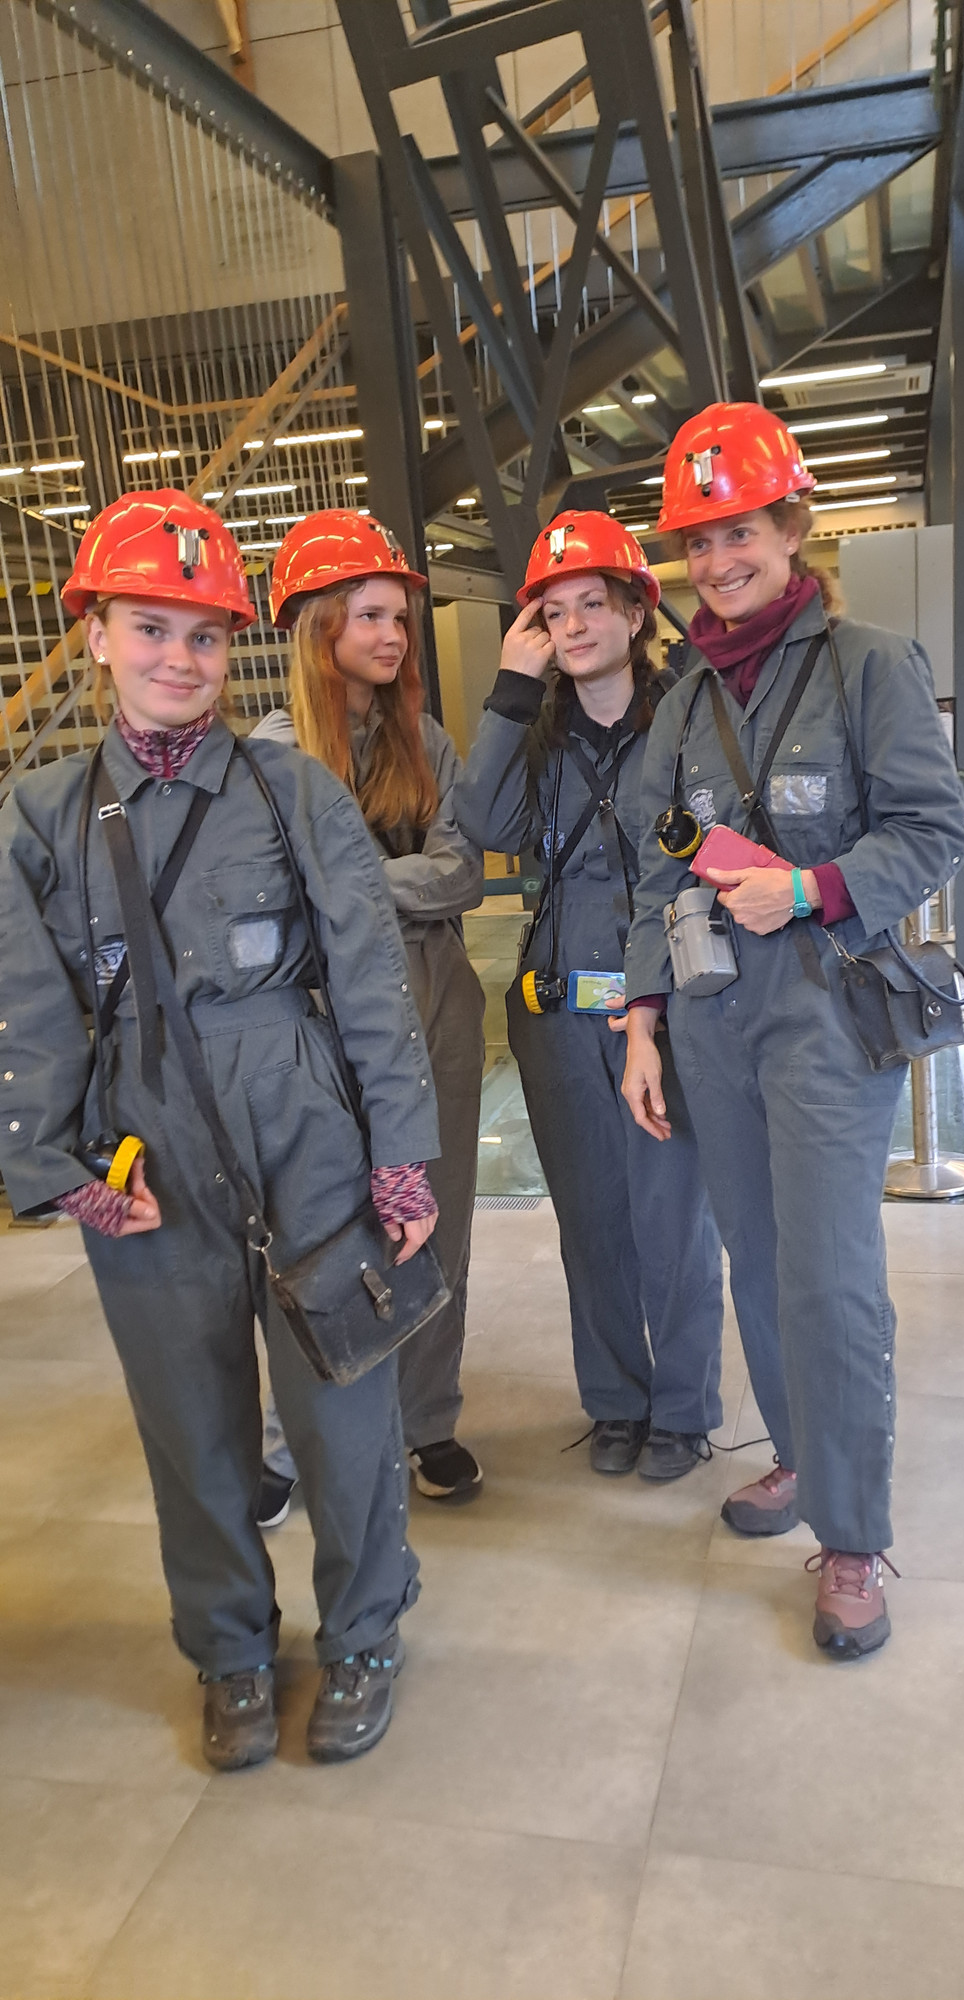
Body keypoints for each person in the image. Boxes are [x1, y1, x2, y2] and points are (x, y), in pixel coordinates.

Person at [0, 491, 440, 1769]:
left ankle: (364, 1629)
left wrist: (399, 1154)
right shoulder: (38, 815)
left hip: (299, 1113)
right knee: (188, 1419)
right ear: (96, 635)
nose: (179, 659)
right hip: (140, 1143)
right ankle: (231, 1648)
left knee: (341, 1397)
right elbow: (28, 1005)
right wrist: (59, 1168)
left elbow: (368, 975)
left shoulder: (292, 788)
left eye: (204, 635)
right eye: (151, 628)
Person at [621, 405, 964, 1656]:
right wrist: (642, 1021)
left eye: (740, 533)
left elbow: (934, 828)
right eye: (699, 541)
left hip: (826, 1009)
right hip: (712, 1019)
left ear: (790, 529)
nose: (719, 561)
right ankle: (800, 1455)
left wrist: (814, 886)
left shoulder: (869, 665)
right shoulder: (682, 705)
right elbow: (652, 871)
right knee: (759, 1264)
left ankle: (854, 1532)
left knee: (828, 1275)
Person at [454, 512, 724, 1480]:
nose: (572, 626)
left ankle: (684, 1410)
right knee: (592, 1221)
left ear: (635, 611)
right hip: (559, 1012)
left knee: (673, 1221)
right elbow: (482, 822)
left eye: (591, 605)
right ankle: (615, 1402)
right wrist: (510, 692)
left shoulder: (686, 715)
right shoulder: (535, 734)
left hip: (667, 1003)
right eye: (553, 612)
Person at [254, 509, 486, 1511]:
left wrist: (346, 884)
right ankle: (290, 1441)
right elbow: (277, 897)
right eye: (371, 615)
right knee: (315, 1225)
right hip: (316, 1016)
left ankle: (428, 1419)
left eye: (400, 617)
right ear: (318, 625)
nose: (394, 636)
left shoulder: (422, 739)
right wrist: (396, 881)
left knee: (436, 1217)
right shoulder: (269, 756)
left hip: (435, 999)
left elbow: (464, 871)